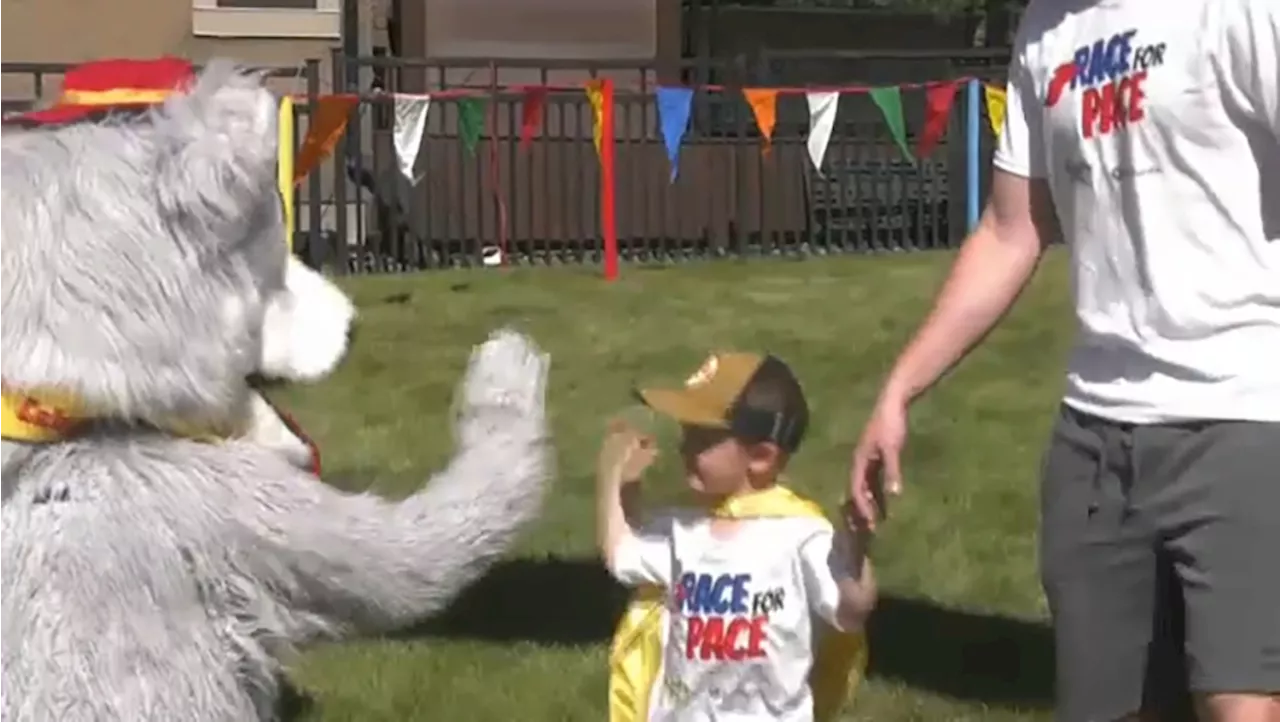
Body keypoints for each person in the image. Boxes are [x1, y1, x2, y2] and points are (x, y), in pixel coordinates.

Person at [848, 1, 1280, 720]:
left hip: (1244, 413)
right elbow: (1011, 229)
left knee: (1242, 704)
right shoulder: (1047, 28)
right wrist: (900, 387)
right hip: (1095, 441)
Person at [598, 352, 876, 721]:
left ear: (760, 456)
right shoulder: (682, 530)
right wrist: (615, 479)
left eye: (701, 438)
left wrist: (856, 550)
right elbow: (621, 553)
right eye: (686, 433)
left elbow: (852, 610)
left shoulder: (800, 536)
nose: (684, 446)